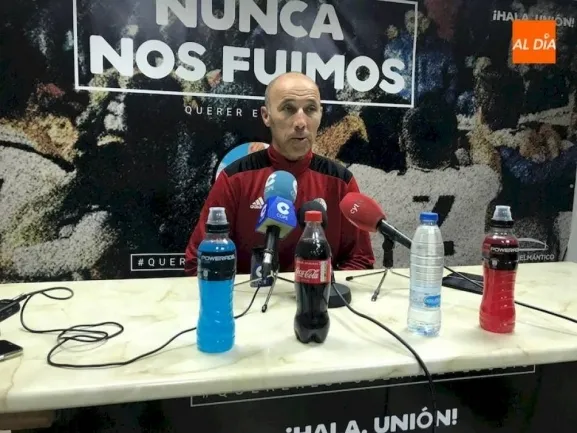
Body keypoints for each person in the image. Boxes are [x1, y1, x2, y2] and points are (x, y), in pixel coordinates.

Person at [184, 72, 375, 275]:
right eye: (288, 109)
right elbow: (197, 263)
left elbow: (360, 260)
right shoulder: (234, 178)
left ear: (320, 115)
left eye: (310, 109)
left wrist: (319, 288)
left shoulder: (341, 182)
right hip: (249, 295)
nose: (301, 122)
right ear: (266, 116)